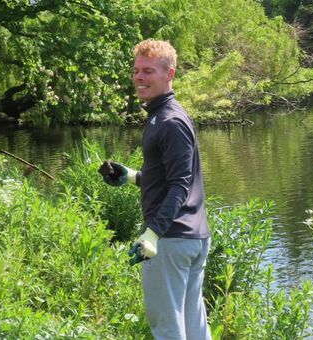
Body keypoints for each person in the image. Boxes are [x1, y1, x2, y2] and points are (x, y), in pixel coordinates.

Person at [98, 39, 211, 339]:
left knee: (167, 329)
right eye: (136, 70)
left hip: (171, 239)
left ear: (169, 74)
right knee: (193, 326)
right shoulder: (162, 116)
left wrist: (153, 233)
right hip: (191, 237)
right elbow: (171, 176)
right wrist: (132, 177)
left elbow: (180, 185)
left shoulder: (170, 121)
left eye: (148, 71)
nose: (138, 77)